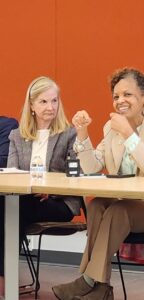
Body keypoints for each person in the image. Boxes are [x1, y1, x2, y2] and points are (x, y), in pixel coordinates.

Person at [52, 67, 144, 300]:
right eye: (116, 96)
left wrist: (129, 133)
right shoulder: (112, 127)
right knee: (97, 204)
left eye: (127, 95)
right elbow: (91, 167)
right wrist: (82, 134)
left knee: (118, 211)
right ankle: (101, 288)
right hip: (129, 204)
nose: (120, 101)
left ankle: (88, 281)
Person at [0, 76, 82, 297]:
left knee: (10, 209)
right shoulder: (16, 136)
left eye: (54, 101)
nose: (50, 107)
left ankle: (3, 278)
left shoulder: (69, 134)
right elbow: (11, 176)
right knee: (8, 206)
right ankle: (4, 277)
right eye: (44, 102)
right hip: (27, 199)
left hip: (58, 202)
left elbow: (76, 175)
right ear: (32, 106)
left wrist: (51, 190)